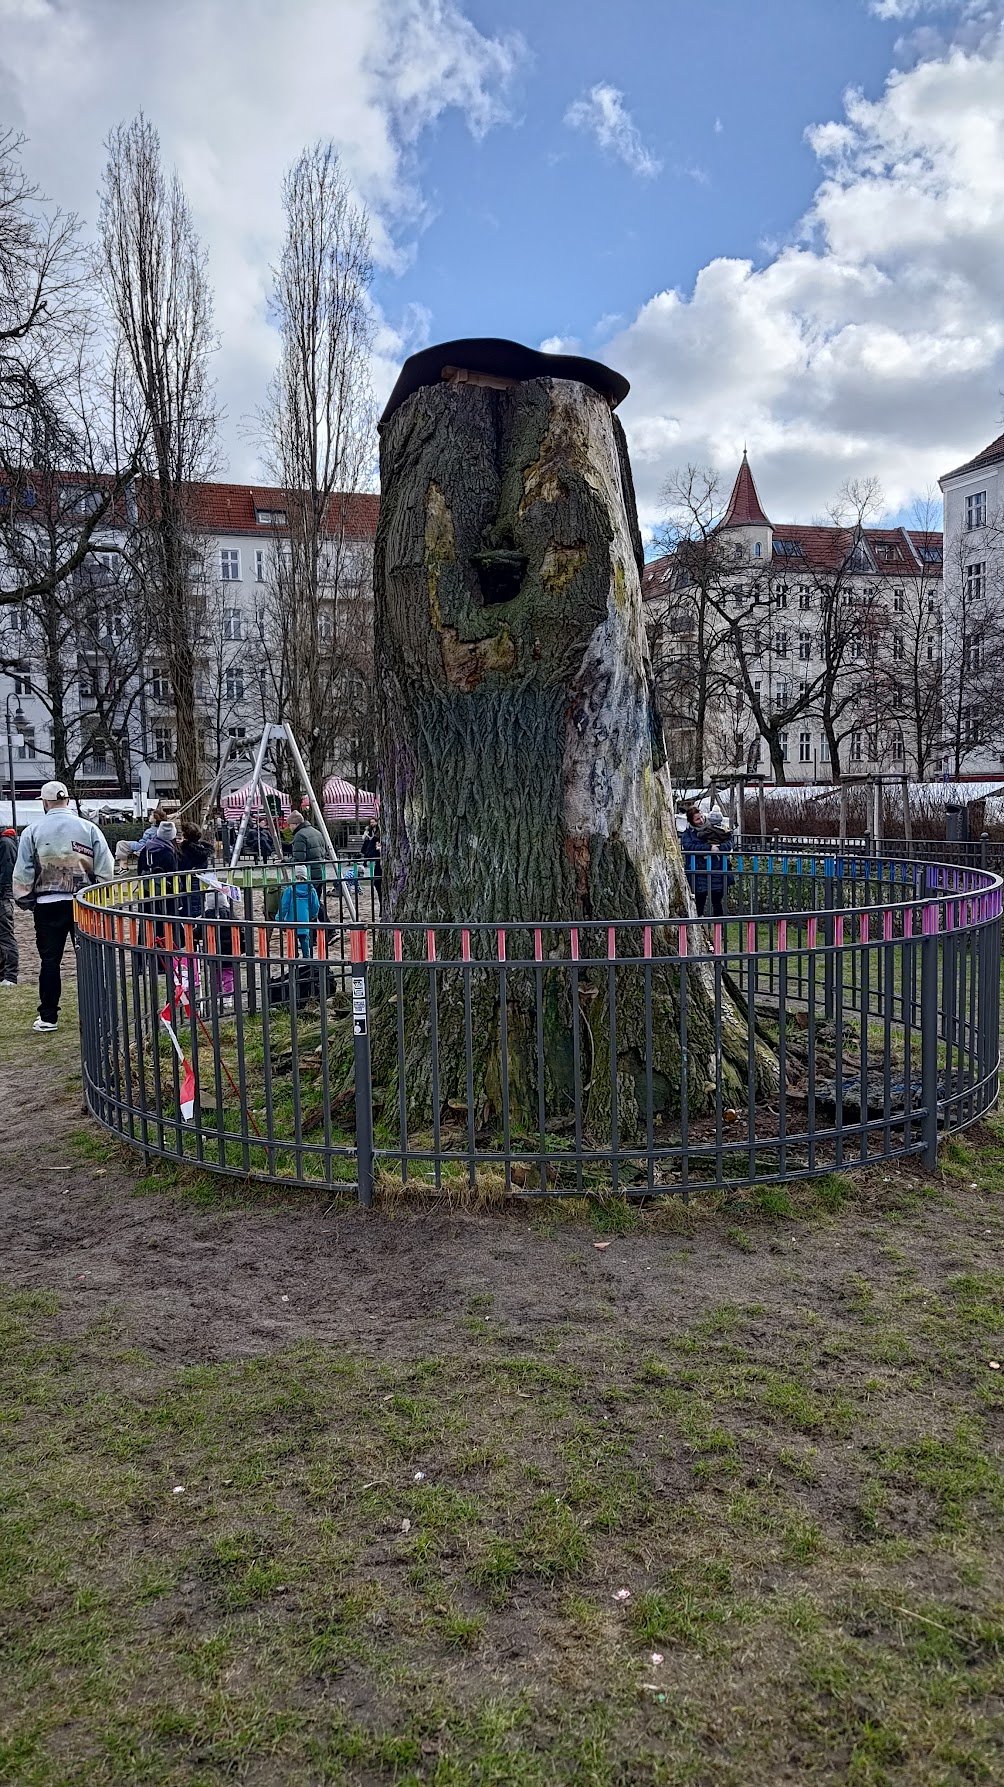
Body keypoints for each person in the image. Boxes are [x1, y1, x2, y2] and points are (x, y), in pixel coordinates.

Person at [11, 781, 114, 1031]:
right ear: (67, 800)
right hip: (83, 903)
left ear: (45, 802)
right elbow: (105, 866)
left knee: (50, 961)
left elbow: (23, 870)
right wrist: (98, 892)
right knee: (89, 960)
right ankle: (97, 1015)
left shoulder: (32, 831)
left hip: (48, 904)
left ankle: (48, 1016)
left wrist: (26, 898)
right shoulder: (88, 828)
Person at [681, 803, 734, 919]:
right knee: (699, 900)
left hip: (717, 868)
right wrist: (709, 848)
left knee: (717, 900)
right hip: (699, 870)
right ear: (691, 821)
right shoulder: (688, 834)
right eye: (697, 819)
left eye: (701, 817)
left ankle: (719, 930)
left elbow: (729, 842)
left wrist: (719, 849)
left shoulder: (717, 828)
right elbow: (689, 846)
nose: (701, 820)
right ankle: (699, 925)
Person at [277, 864, 320, 957]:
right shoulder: (311, 890)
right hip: (305, 920)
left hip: (291, 921)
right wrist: (312, 915)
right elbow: (315, 905)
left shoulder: (290, 889)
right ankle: (306, 959)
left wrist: (279, 917)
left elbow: (284, 905)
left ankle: (294, 958)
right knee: (305, 940)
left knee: (292, 943)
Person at [288, 811, 327, 908]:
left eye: (290, 825)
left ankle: (322, 920)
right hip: (320, 870)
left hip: (309, 872)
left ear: (296, 824)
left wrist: (285, 861)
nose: (289, 827)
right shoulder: (316, 831)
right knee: (316, 899)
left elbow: (299, 858)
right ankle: (323, 920)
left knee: (309, 900)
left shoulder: (300, 835)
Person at [176, 822, 214, 919]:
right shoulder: (202, 850)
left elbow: (182, 865)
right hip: (199, 879)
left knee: (189, 905)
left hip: (187, 880)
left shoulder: (185, 850)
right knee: (198, 903)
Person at [0, 825, 19, 986]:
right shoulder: (6, 842)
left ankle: (10, 976)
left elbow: (8, 872)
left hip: (2, 897)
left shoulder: (5, 843)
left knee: (6, 936)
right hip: (3, 896)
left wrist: (4, 893)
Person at [361, 819, 382, 913]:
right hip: (379, 865)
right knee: (378, 884)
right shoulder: (375, 837)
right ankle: (382, 908)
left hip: (382, 866)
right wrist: (377, 849)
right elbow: (368, 852)